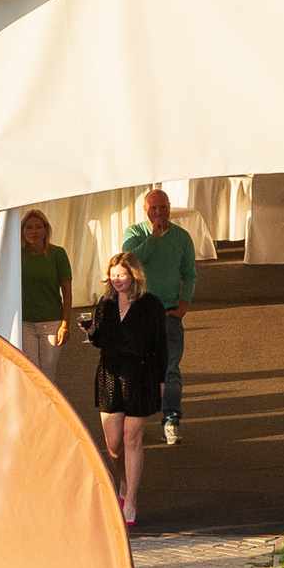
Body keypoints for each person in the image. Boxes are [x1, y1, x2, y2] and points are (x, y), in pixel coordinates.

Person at [84, 252, 166, 526]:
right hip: (109, 375)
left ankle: (130, 499)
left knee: (132, 440)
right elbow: (100, 342)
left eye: (122, 274)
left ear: (134, 275)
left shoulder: (150, 304)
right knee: (114, 446)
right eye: (113, 274)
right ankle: (123, 480)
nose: (117, 279)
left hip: (140, 376)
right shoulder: (105, 304)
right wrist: (92, 331)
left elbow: (160, 344)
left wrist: (162, 380)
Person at [119, 188, 196, 445]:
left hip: (169, 314)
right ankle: (132, 422)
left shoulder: (182, 237)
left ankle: (171, 421)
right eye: (153, 209)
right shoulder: (135, 233)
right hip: (139, 315)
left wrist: (184, 302)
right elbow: (129, 263)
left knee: (170, 370)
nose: (159, 213)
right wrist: (153, 237)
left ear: (170, 207)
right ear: (145, 210)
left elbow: (190, 273)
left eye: (163, 207)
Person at [17, 210, 72, 377]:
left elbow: (67, 292)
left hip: (52, 323)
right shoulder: (17, 255)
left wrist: (65, 324)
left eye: (38, 227)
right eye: (29, 227)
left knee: (47, 374)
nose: (34, 232)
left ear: (46, 230)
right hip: (25, 323)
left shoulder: (57, 254)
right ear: (22, 231)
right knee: (32, 374)